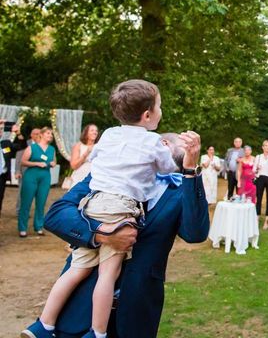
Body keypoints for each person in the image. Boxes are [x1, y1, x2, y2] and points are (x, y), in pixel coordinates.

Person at [22, 79, 177, 338]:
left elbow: (96, 158)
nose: (161, 111)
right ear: (148, 114)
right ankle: (97, 331)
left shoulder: (109, 134)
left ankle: (43, 324)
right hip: (120, 209)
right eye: (159, 106)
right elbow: (167, 167)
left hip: (94, 204)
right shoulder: (152, 142)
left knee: (76, 269)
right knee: (108, 274)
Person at [42, 131, 208, 338]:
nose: (191, 150)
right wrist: (101, 234)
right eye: (185, 146)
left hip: (137, 309)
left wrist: (191, 171)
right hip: (83, 300)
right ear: (164, 144)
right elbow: (57, 215)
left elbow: (195, 234)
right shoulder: (108, 173)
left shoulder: (183, 189)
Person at [18, 126, 56, 237]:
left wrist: (53, 163)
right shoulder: (32, 147)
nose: (50, 135)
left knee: (41, 202)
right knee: (26, 202)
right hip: (31, 176)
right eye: (48, 133)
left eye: (51, 134)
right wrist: (36, 163)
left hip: (45, 177)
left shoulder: (51, 149)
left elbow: (53, 161)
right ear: (42, 134)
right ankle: (22, 228)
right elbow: (23, 161)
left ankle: (39, 227)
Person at [1, 120, 27, 216]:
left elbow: (22, 145)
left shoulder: (5, 143)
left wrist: (18, 133)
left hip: (2, 177)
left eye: (1, 130)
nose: (0, 131)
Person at [15, 128, 41, 214]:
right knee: (22, 193)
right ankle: (19, 210)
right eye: (35, 133)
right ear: (31, 135)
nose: (38, 135)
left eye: (39, 133)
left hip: (37, 173)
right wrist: (17, 171)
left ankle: (27, 210)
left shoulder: (43, 145)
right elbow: (19, 158)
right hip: (24, 172)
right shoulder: (25, 143)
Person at [67, 124, 100, 190]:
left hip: (95, 178)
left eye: (96, 131)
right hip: (80, 177)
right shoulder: (79, 146)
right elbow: (74, 166)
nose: (95, 132)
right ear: (86, 133)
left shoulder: (99, 146)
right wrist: (87, 152)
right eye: (92, 130)